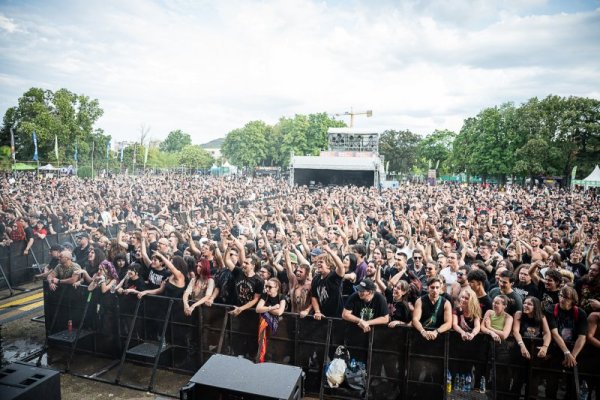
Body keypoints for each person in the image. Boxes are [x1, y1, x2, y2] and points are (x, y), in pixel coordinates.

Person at [545, 286, 588, 399]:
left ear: (573, 299)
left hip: (575, 351)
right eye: (561, 296)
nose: (562, 299)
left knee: (573, 384)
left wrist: (572, 356)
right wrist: (566, 352)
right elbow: (554, 333)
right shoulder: (551, 309)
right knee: (551, 383)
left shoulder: (580, 313)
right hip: (556, 349)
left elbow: (582, 337)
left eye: (566, 297)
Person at [255, 277, 286, 363]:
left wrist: (265, 309)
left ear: (277, 288)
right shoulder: (265, 295)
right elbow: (257, 309)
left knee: (278, 344)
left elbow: (279, 312)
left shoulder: (281, 297)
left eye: (270, 287)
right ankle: (260, 358)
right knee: (263, 340)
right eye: (266, 286)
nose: (267, 288)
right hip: (265, 324)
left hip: (278, 324)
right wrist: (272, 307)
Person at [310, 245, 345, 320]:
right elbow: (314, 297)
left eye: (321, 262)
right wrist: (317, 311)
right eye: (318, 262)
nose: (318, 264)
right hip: (322, 317)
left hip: (336, 317)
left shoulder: (333, 276)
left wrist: (329, 251)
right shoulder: (316, 279)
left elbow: (341, 267)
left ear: (329, 265)